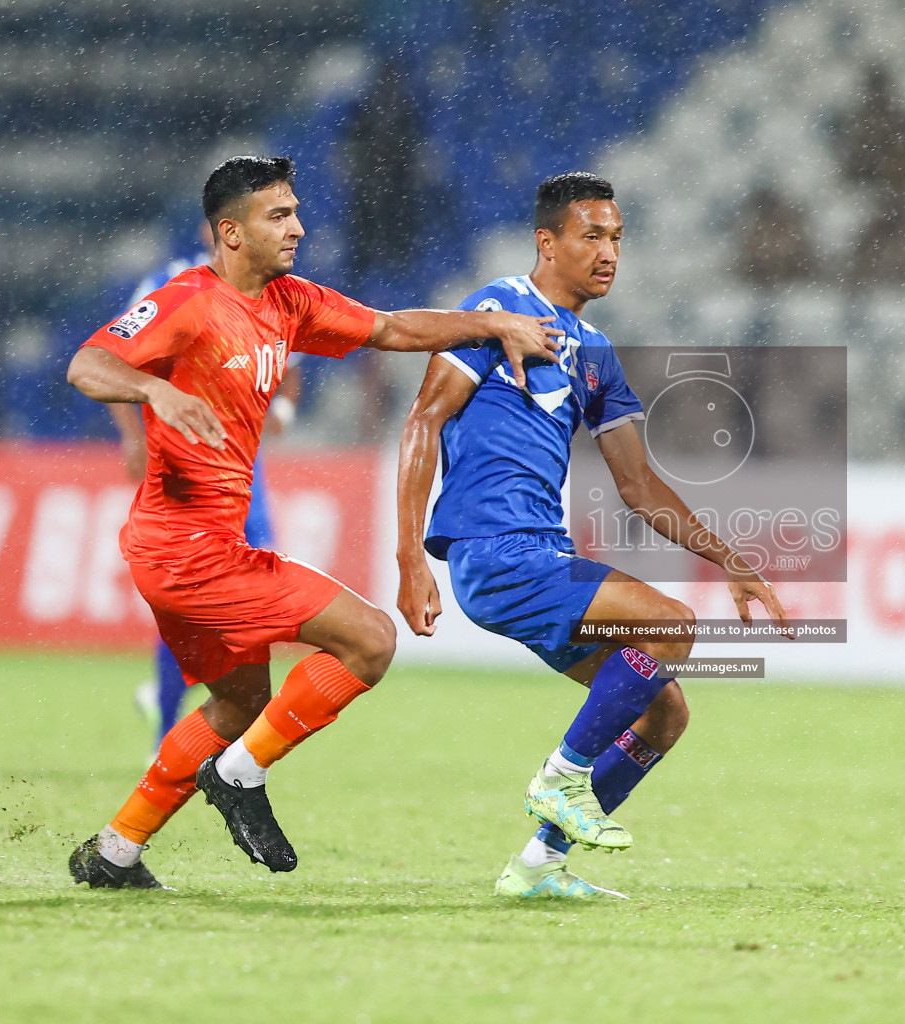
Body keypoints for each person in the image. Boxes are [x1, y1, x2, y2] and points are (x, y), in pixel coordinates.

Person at [65, 155, 563, 889]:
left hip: (190, 551)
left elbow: (392, 329)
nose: (298, 226)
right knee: (369, 639)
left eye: (296, 211)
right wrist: (154, 393)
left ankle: (114, 852)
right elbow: (86, 365)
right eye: (279, 215)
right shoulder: (185, 303)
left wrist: (493, 325)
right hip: (190, 555)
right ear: (230, 232)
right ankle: (237, 777)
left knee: (240, 701)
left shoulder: (288, 302)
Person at [395, 172, 788, 899]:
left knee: (663, 712)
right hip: (494, 549)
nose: (609, 252)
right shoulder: (498, 308)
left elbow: (638, 486)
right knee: (672, 627)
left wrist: (730, 559)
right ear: (548, 242)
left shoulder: (595, 353)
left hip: (542, 553)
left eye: (617, 238)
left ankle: (539, 866)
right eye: (592, 236)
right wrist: (408, 559)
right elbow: (424, 418)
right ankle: (561, 777)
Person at [111, 222, 296, 755]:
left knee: (254, 589)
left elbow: (293, 366)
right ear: (219, 228)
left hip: (242, 467)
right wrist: (131, 439)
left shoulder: (275, 290)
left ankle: (197, 701)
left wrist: (281, 406)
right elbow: (115, 362)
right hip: (182, 467)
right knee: (189, 597)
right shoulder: (169, 284)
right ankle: (166, 729)